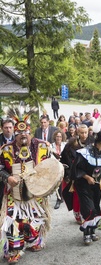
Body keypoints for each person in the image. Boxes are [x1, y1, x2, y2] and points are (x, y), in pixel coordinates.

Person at [0, 107, 52, 263]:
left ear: (30, 132)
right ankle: (14, 250)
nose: (23, 136)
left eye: (26, 133)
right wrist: (7, 178)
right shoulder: (6, 150)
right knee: (11, 219)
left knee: (31, 222)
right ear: (14, 134)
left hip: (36, 194)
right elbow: (0, 167)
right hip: (13, 193)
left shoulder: (43, 147)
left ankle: (34, 240)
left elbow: (51, 167)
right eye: (19, 134)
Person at [70, 128, 101, 245]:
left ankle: (92, 231)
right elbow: (76, 169)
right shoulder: (85, 153)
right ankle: (86, 233)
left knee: (95, 207)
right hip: (84, 185)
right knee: (89, 209)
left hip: (98, 186)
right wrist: (87, 177)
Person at [60, 124, 90, 224]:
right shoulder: (71, 145)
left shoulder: (91, 143)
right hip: (75, 175)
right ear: (78, 132)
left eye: (86, 132)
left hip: (88, 174)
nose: (84, 135)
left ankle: (88, 214)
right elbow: (64, 159)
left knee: (88, 196)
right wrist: (68, 174)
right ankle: (78, 214)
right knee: (77, 196)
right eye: (82, 132)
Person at [50, 130, 67, 209]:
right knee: (59, 181)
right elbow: (50, 156)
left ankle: (63, 197)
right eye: (57, 136)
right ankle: (59, 199)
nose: (58, 138)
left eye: (60, 136)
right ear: (55, 137)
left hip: (65, 165)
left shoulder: (65, 145)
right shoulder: (51, 146)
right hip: (56, 166)